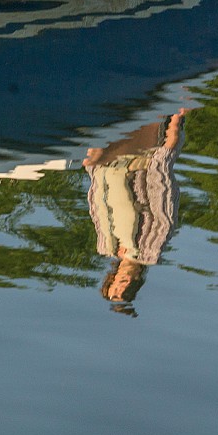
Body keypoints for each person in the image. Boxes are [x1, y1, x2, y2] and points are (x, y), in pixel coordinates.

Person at [85, 110, 187, 313]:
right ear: (136, 281)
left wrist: (92, 168)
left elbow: (97, 204)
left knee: (90, 158)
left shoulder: (106, 246)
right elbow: (163, 199)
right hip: (142, 162)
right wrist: (174, 128)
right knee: (94, 156)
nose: (122, 280)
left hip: (108, 165)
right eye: (125, 286)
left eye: (117, 283)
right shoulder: (152, 250)